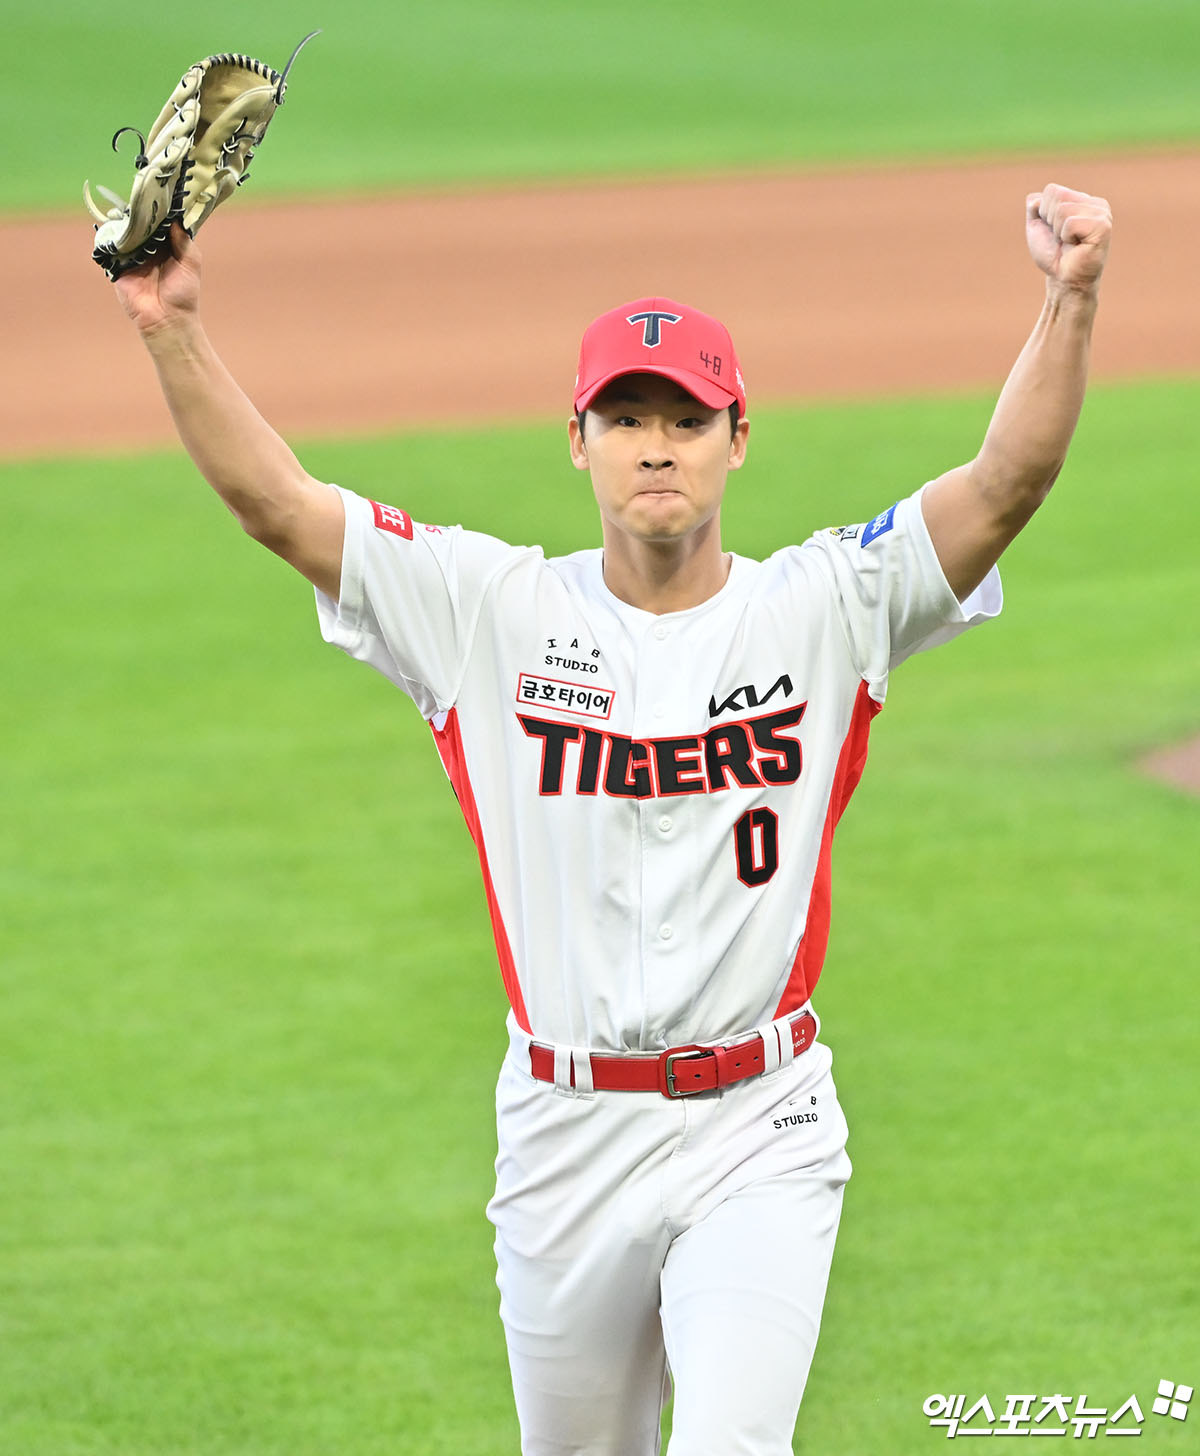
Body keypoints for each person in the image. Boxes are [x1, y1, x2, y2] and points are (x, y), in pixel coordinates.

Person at [112, 181, 1112, 1455]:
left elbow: (1005, 483)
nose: (657, 445)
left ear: (738, 437)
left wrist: (1069, 297)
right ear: (574, 440)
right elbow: (281, 506)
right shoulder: (483, 609)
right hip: (562, 1133)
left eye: (686, 419)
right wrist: (169, 326)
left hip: (761, 1125)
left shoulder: (825, 605)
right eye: (625, 416)